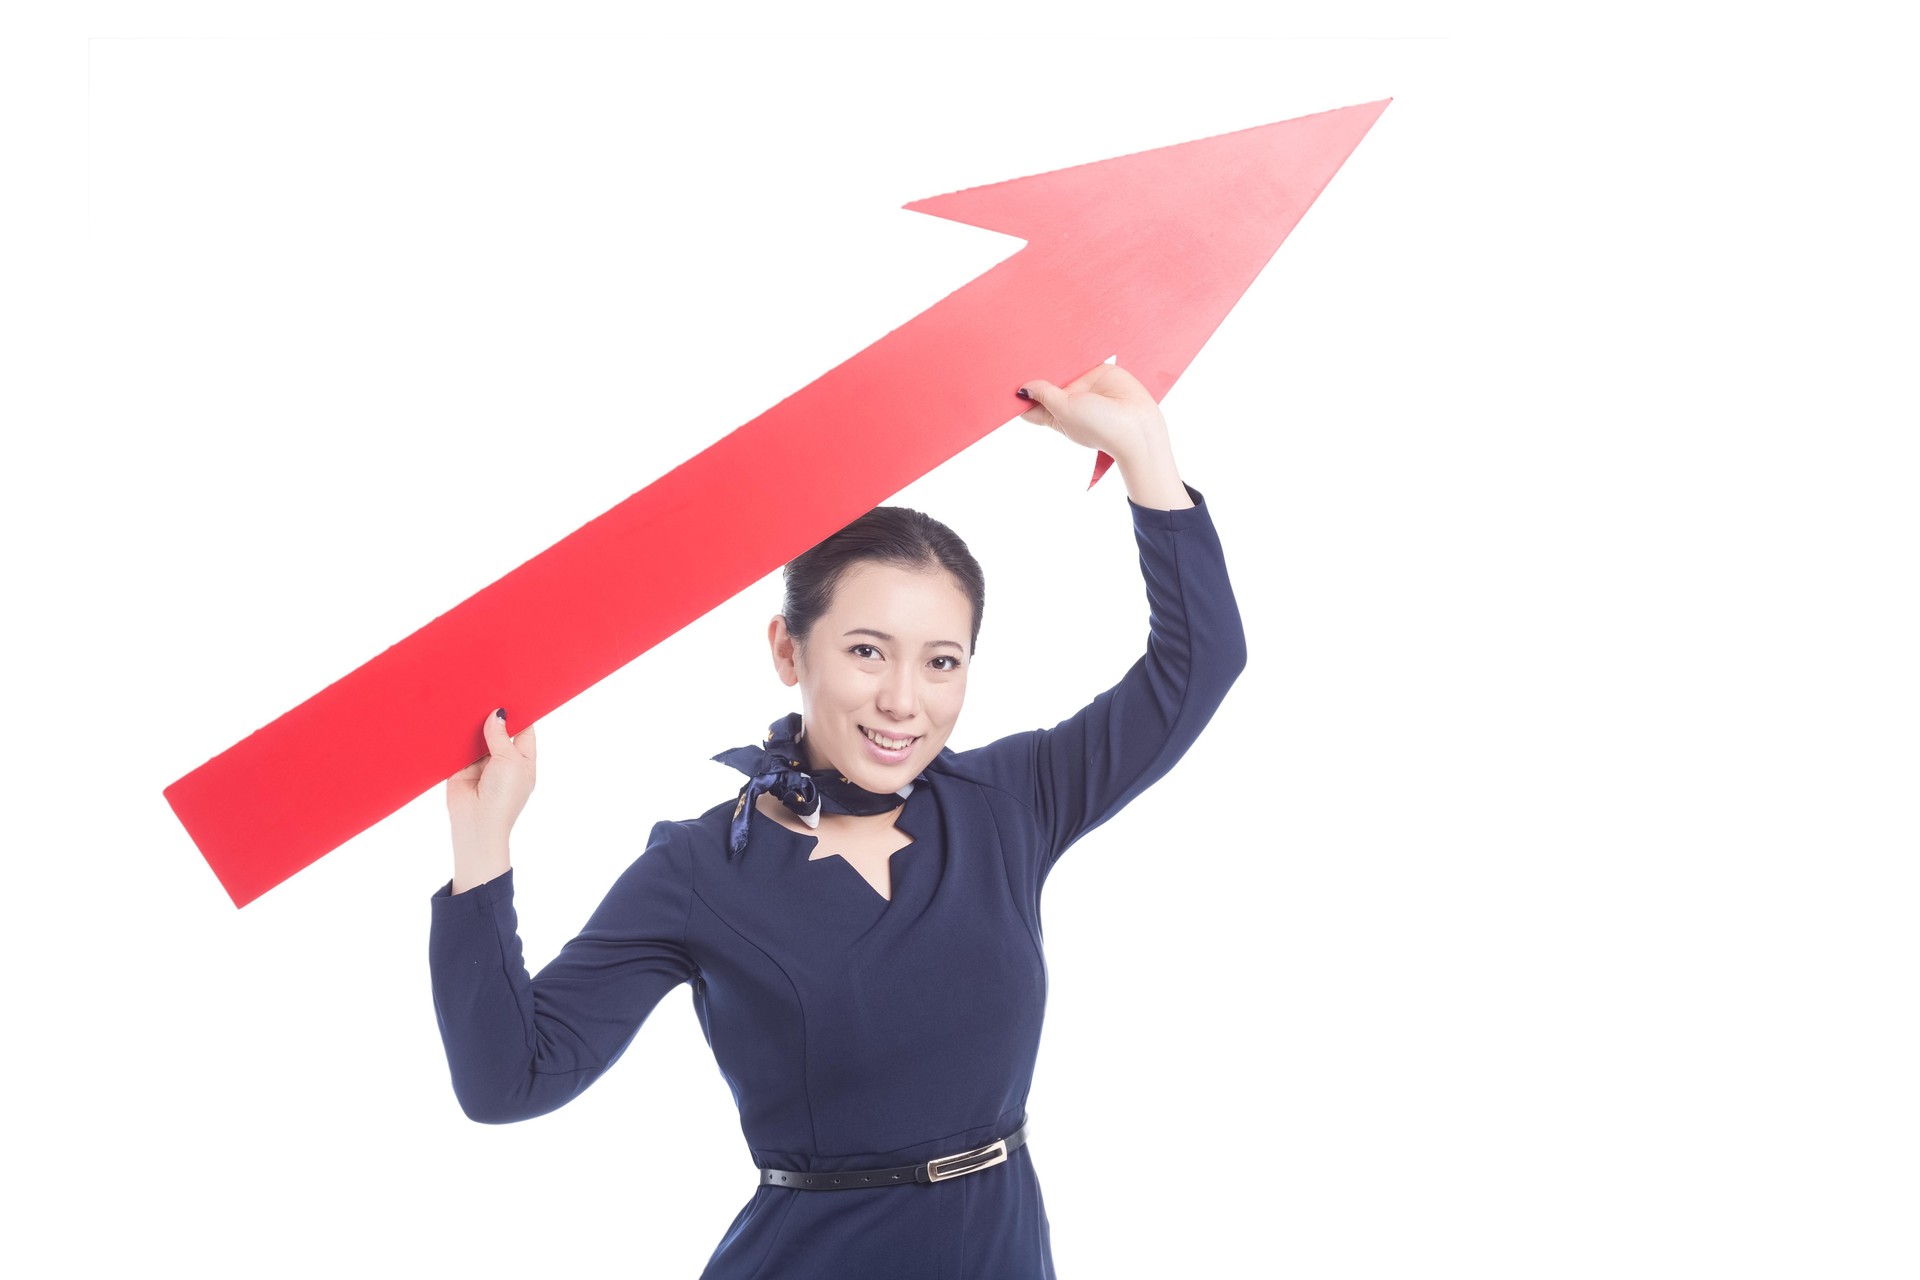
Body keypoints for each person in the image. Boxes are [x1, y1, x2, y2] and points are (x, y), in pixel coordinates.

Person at [429, 361, 1247, 1278]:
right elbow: (510, 1080)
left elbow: (1198, 665)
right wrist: (483, 849)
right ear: (788, 649)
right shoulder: (699, 872)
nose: (904, 701)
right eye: (867, 651)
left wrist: (1145, 454)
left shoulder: (1011, 803)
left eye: (942, 663)